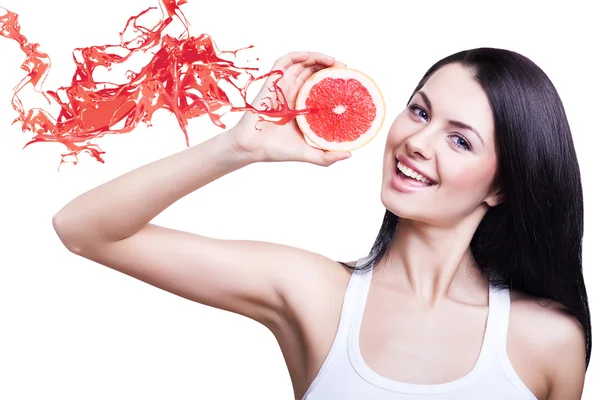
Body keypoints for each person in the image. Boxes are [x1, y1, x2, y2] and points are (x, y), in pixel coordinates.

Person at [51, 49, 591, 399]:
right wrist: (238, 149)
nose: (417, 143)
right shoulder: (314, 293)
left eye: (460, 139)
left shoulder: (547, 340)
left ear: (501, 186)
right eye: (420, 112)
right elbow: (85, 229)